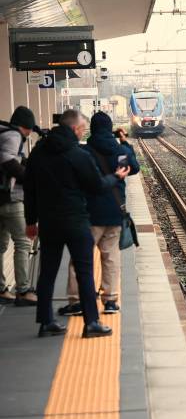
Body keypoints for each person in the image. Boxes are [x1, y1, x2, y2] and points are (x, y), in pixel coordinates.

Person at [24, 110, 130, 338]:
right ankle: (91, 323)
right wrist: (116, 177)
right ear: (74, 129)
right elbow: (97, 186)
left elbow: (29, 188)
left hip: (49, 222)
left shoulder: (39, 151)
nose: (83, 132)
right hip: (75, 221)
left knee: (48, 272)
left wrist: (30, 221)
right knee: (84, 271)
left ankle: (45, 321)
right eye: (82, 128)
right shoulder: (77, 155)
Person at [59, 113, 139, 316]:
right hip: (114, 211)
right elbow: (134, 168)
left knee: (80, 257)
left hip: (88, 214)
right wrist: (125, 142)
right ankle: (110, 301)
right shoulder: (120, 151)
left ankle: (77, 301)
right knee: (111, 256)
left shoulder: (83, 151)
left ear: (91, 129)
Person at [0, 106, 36, 306]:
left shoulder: (3, 132)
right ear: (25, 127)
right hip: (10, 199)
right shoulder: (14, 135)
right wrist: (28, 177)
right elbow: (8, 160)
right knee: (22, 242)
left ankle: (1, 289)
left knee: (0, 245)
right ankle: (23, 290)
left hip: (1, 199)